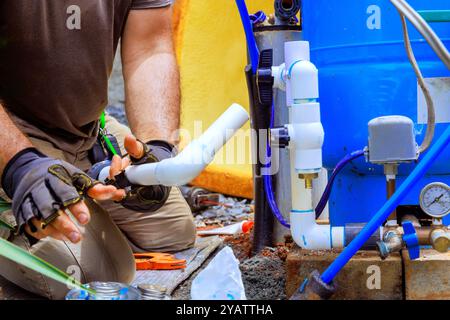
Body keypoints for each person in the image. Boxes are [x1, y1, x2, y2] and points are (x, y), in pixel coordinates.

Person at [0, 0, 196, 299]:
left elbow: (151, 49)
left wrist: (157, 149)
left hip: (88, 132)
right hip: (12, 132)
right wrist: (19, 167)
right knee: (85, 273)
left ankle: (83, 185)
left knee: (172, 232)